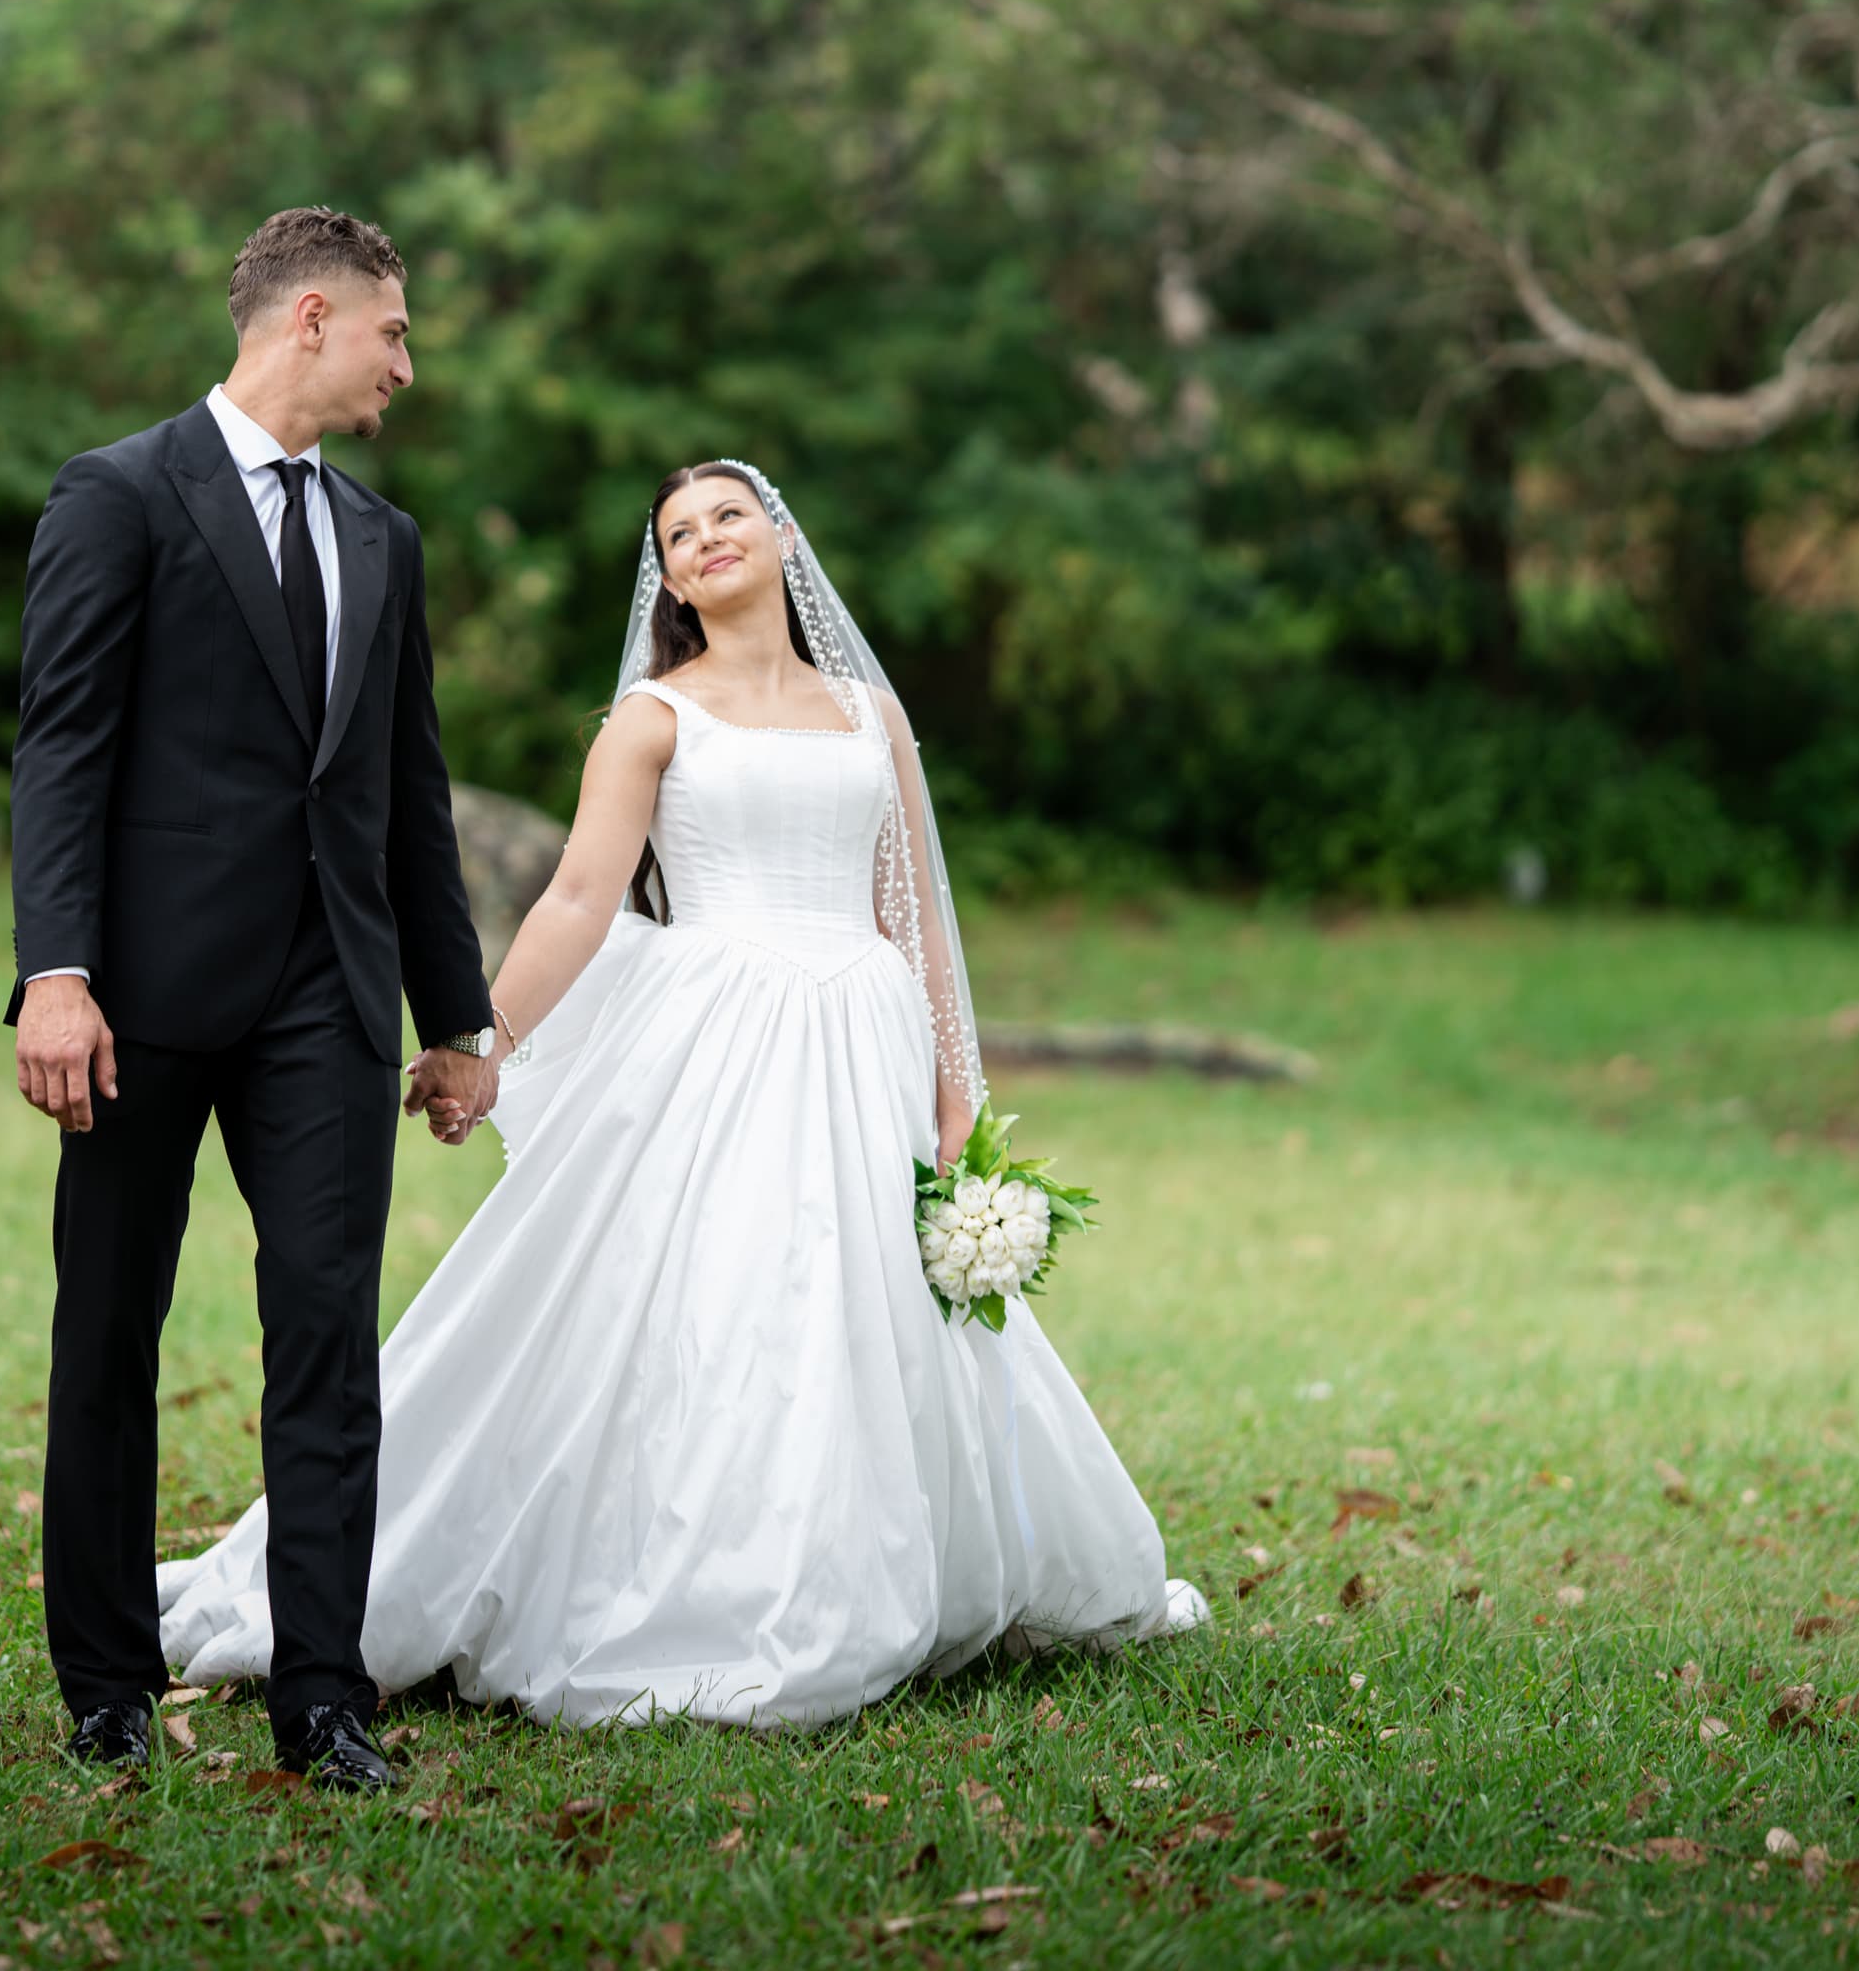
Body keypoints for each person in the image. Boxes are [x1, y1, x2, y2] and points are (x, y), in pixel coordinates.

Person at [157, 459, 1206, 1727]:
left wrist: (957, 1098)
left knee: (862, 1300)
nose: (706, 538)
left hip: (863, 1036)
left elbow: (917, 915)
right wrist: (482, 1041)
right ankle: (702, 1580)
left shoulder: (871, 714)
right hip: (719, 1042)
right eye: (678, 534)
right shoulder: (653, 718)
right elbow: (578, 898)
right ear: (670, 581)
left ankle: (877, 1562)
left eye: (728, 516)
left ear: (781, 539)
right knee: (729, 1299)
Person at [3, 206, 499, 1790]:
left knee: (328, 1345)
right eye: (394, 333)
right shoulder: (120, 493)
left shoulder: (384, 541)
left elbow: (408, 795)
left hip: (326, 1002)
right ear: (311, 318)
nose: (405, 367)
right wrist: (56, 974)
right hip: (137, 1000)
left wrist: (456, 1019)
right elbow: (63, 748)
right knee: (110, 1332)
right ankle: (105, 1686)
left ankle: (325, 1700)